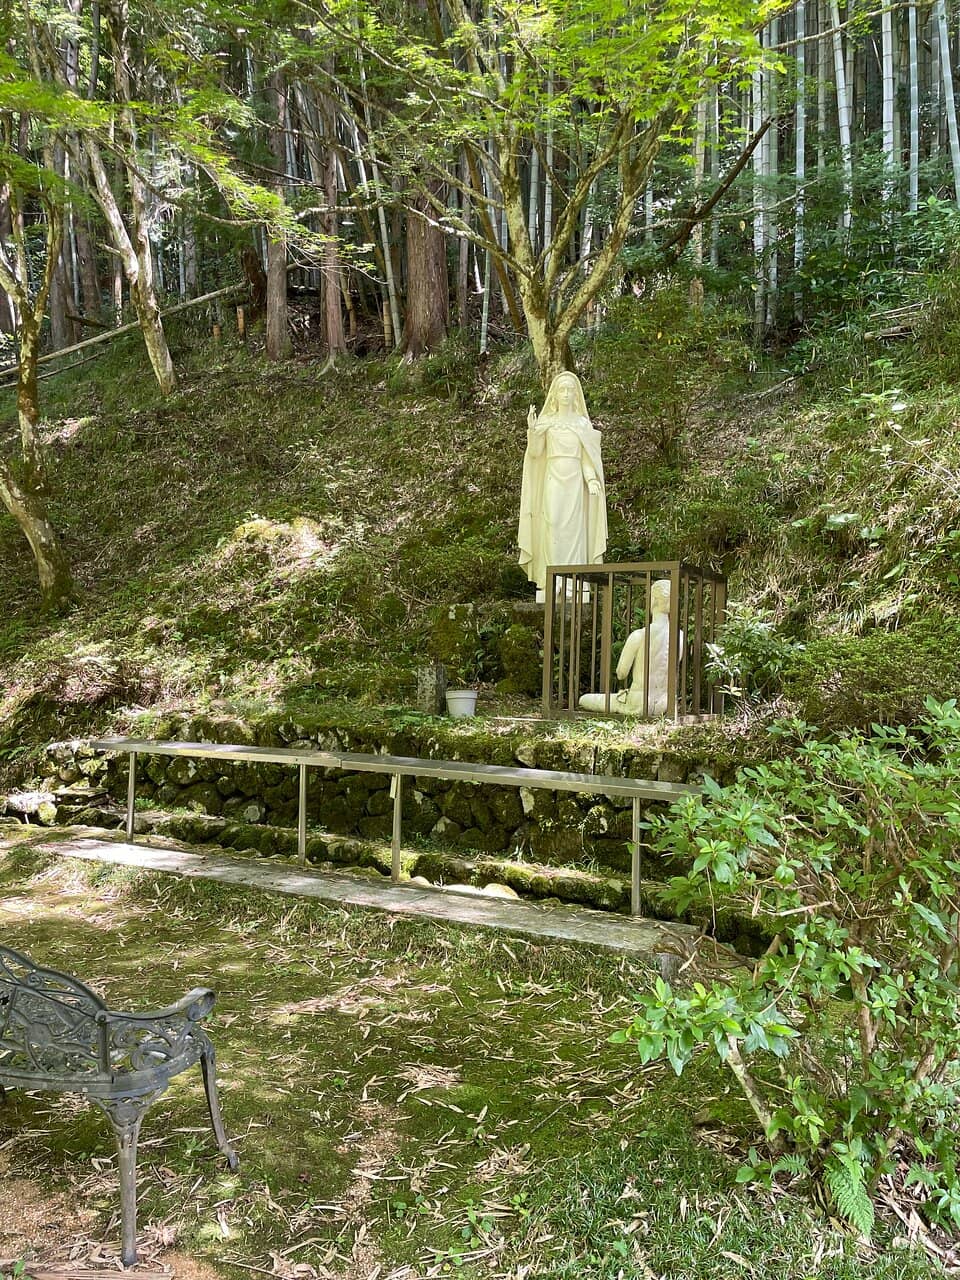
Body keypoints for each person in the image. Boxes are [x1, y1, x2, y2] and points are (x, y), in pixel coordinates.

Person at [518, 371, 607, 600]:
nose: (566, 394)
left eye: (570, 390)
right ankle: (552, 579)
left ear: (576, 394)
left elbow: (587, 458)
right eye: (562, 389)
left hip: (575, 481)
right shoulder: (547, 423)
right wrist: (532, 431)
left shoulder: (582, 423)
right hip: (553, 478)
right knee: (553, 524)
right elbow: (536, 453)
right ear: (555, 395)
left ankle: (572, 582)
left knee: (574, 529)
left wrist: (592, 480)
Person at [579, 579, 682, 716]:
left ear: (654, 601)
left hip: (640, 702)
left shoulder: (639, 635)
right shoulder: (679, 636)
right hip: (665, 703)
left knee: (584, 699)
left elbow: (621, 673)